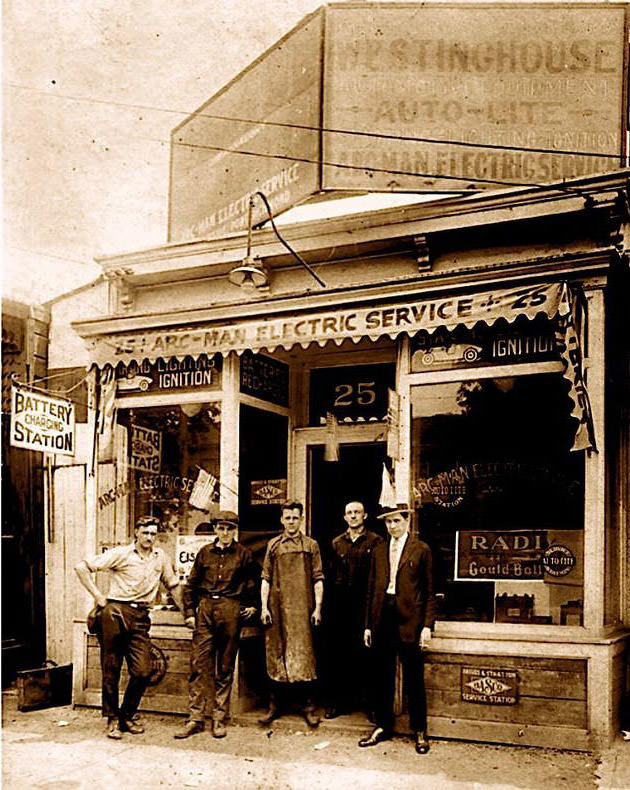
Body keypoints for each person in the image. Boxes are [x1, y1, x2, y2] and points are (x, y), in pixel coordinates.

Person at [75, 515, 184, 740]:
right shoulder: (121, 554)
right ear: (136, 532)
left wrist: (187, 614)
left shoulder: (160, 557)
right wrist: (98, 596)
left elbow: (172, 584)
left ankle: (127, 715)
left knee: (143, 671)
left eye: (153, 533)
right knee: (111, 668)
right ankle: (112, 719)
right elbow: (82, 567)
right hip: (115, 613)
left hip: (141, 616)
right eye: (145, 533)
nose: (149, 538)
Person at [174, 511, 259, 739]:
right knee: (198, 664)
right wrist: (190, 613)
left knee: (224, 666)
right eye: (221, 528)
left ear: (235, 531)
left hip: (231, 610)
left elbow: (255, 581)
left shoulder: (243, 554)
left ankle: (219, 719)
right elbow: (190, 585)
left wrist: (252, 605)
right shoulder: (204, 553)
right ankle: (195, 718)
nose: (225, 533)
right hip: (205, 611)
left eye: (229, 529)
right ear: (215, 530)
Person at [358, 504, 436, 755]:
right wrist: (368, 625)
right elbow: (370, 589)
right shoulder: (379, 550)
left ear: (407, 522)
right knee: (382, 675)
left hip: (409, 619)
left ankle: (420, 731)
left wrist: (426, 626)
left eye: (396, 521)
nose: (392, 526)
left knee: (413, 677)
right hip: (383, 618)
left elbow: (430, 591)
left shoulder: (420, 549)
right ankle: (383, 726)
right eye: (388, 522)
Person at [258, 501, 324, 728]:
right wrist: (264, 607)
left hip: (301, 610)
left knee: (304, 655)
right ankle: (275, 705)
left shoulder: (311, 545)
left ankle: (308, 706)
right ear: (281, 519)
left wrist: (317, 608)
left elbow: (318, 578)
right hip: (277, 608)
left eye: (295, 517)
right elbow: (265, 578)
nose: (291, 522)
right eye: (287, 518)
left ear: (301, 519)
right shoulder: (273, 545)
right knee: (276, 653)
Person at [325, 500, 383, 719]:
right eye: (349, 513)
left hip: (365, 605)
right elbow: (330, 576)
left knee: (367, 656)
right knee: (340, 655)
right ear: (344, 517)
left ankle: (370, 705)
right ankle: (340, 703)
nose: (353, 516)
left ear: (365, 515)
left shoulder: (376, 541)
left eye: (357, 512)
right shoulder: (336, 543)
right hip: (341, 606)